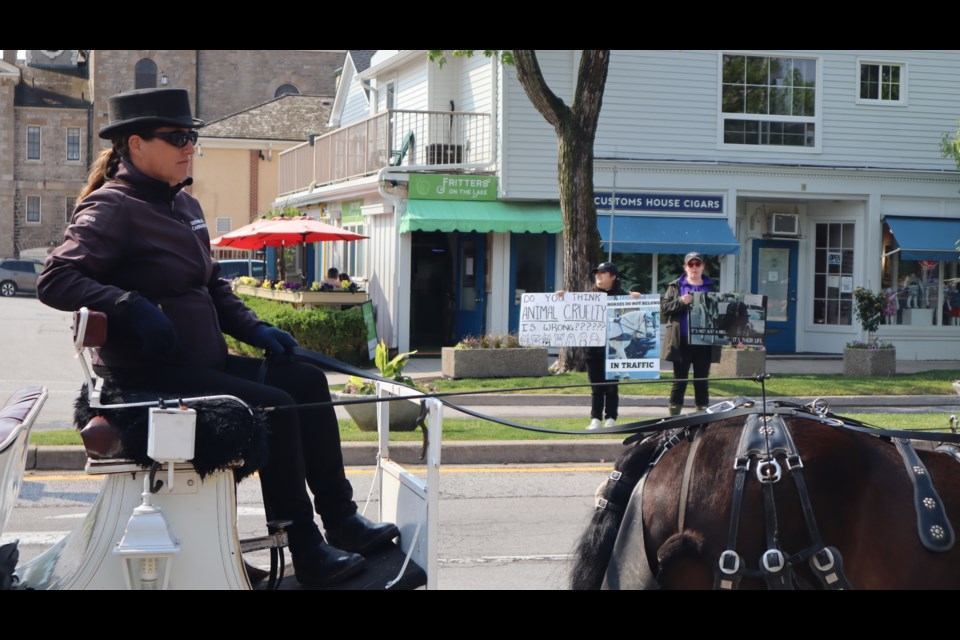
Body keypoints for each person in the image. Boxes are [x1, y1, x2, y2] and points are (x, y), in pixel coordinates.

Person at [36, 88, 397, 588]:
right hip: (148, 375)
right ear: (135, 145)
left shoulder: (184, 205)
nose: (190, 146)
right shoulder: (112, 207)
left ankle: (341, 521)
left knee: (308, 382)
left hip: (203, 364)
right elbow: (55, 279)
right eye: (177, 136)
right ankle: (305, 546)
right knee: (275, 402)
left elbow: (212, 287)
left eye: (193, 136)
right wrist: (129, 306)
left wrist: (258, 330)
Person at [558, 262, 640, 430]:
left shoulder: (623, 296)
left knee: (611, 385)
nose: (598, 276)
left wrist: (637, 300)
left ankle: (611, 417)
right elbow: (571, 309)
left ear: (613, 277)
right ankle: (595, 418)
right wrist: (563, 297)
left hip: (613, 348)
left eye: (603, 273)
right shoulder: (587, 296)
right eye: (597, 273)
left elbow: (637, 316)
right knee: (596, 385)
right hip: (593, 348)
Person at [661, 252, 721, 416]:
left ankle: (702, 418)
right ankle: (674, 418)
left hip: (703, 342)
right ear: (685, 267)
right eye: (691, 264)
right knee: (679, 381)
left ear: (702, 266)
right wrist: (680, 301)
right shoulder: (675, 286)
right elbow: (664, 309)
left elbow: (720, 314)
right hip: (681, 342)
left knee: (701, 381)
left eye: (697, 264)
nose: (694, 267)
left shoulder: (711, 287)